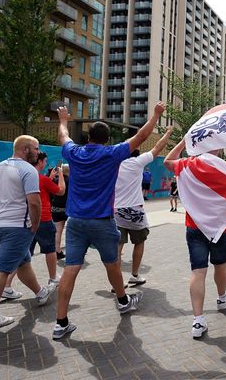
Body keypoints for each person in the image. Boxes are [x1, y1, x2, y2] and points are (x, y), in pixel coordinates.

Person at [52, 103, 164, 340]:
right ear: (107, 139)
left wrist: (63, 118)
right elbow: (142, 136)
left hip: (75, 222)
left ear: (89, 136)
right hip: (102, 221)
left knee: (71, 270)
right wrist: (155, 115)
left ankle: (61, 323)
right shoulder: (111, 154)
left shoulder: (74, 153)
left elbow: (63, 136)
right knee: (112, 264)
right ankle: (123, 301)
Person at [0, 136, 56, 330]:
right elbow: (34, 202)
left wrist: (1, 213)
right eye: (36, 149)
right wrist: (35, 224)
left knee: (23, 262)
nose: (38, 153)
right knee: (3, 269)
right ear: (25, 149)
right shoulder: (28, 170)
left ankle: (40, 292)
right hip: (18, 227)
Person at [163, 141, 226, 340]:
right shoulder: (225, 168)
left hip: (194, 226)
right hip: (220, 227)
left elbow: (168, 161)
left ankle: (198, 319)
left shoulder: (188, 164)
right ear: (217, 148)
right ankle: (222, 298)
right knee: (220, 264)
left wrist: (182, 141)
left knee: (198, 271)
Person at [114, 127, 173, 287]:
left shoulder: (115, 163)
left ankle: (117, 282)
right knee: (139, 242)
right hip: (135, 211)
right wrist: (167, 133)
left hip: (116, 210)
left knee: (118, 246)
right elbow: (158, 147)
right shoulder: (137, 162)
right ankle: (134, 275)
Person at [30, 152, 65, 287]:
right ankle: (53, 278)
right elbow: (60, 190)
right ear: (39, 162)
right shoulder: (42, 179)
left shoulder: (28, 177)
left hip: (28, 220)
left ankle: (7, 285)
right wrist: (61, 174)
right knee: (50, 250)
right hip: (43, 218)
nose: (46, 164)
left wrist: (49, 178)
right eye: (44, 161)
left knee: (23, 256)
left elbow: (41, 188)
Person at [51, 164, 70, 260]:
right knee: (71, 231)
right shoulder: (70, 181)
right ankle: (72, 251)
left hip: (55, 208)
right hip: (67, 209)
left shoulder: (54, 180)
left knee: (58, 231)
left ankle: (57, 250)